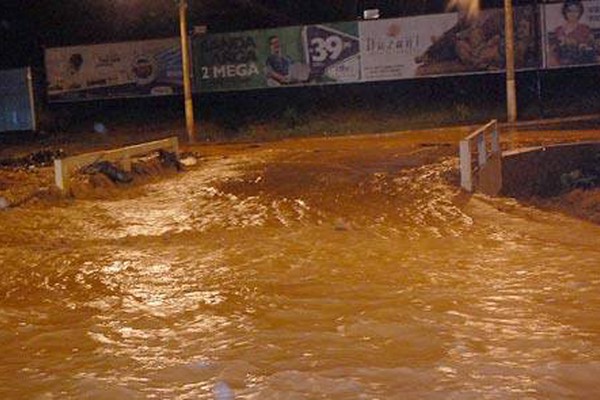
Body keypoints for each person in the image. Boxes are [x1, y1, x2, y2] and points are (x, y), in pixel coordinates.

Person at [549, 0, 596, 66]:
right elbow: (552, 51)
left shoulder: (585, 29)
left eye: (576, 11)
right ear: (565, 12)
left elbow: (592, 49)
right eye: (569, 11)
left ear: (580, 12)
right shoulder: (558, 30)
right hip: (561, 66)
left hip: (581, 64)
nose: (572, 14)